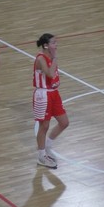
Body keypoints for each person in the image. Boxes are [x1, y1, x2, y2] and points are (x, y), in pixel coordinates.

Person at [33, 33, 69, 169]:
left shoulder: (51, 57)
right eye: (54, 43)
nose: (56, 45)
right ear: (46, 45)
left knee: (64, 122)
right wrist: (54, 60)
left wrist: (54, 59)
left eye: (56, 42)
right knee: (44, 126)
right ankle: (41, 156)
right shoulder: (41, 58)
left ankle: (48, 146)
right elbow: (49, 74)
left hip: (54, 93)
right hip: (43, 95)